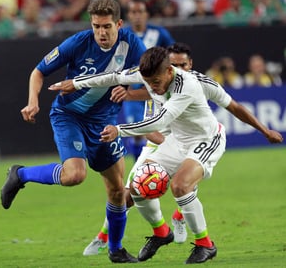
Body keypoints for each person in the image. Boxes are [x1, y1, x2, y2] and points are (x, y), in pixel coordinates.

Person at [49, 46, 283, 264]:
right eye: (149, 83)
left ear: (170, 71)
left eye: (157, 82)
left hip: (206, 139)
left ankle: (205, 244)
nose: (154, 88)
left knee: (180, 186)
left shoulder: (188, 85)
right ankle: (161, 233)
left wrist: (264, 130)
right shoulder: (146, 75)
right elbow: (113, 77)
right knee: (139, 185)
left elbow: (163, 120)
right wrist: (77, 83)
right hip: (176, 141)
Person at [0, 0, 146, 263]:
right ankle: (20, 175)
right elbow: (38, 72)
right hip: (69, 116)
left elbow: (152, 84)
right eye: (96, 26)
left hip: (104, 124)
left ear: (119, 24)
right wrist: (33, 101)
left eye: (107, 27)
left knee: (116, 190)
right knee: (74, 175)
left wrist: (128, 91)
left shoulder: (133, 45)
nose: (101, 33)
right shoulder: (79, 42)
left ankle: (115, 250)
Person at [120, 0, 175, 161]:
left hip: (155, 92)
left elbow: (172, 55)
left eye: (140, 12)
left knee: (156, 130)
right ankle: (140, 167)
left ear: (146, 14)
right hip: (133, 92)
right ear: (128, 15)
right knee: (138, 132)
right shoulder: (123, 35)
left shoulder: (159, 33)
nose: (137, 15)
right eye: (133, 12)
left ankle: (162, 163)